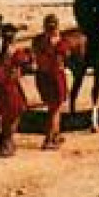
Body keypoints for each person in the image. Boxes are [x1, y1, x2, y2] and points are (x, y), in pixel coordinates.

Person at [0, 23, 27, 158]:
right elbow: (23, 61)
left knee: (8, 113)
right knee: (14, 112)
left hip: (3, 85)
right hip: (10, 84)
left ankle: (4, 143)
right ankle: (6, 143)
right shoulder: (12, 50)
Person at [30, 14, 69, 150]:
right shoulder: (60, 42)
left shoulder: (38, 40)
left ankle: (55, 135)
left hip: (42, 76)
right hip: (55, 76)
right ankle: (48, 139)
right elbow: (61, 60)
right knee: (55, 109)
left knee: (52, 108)